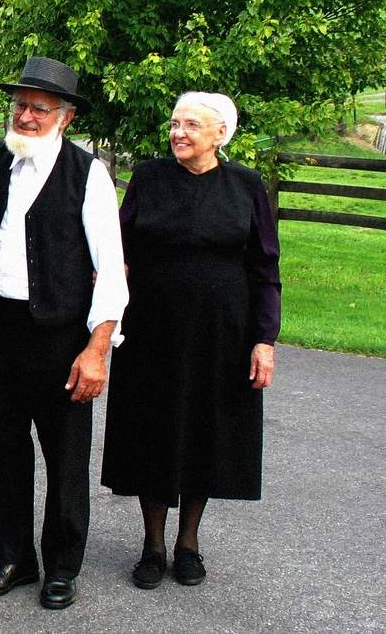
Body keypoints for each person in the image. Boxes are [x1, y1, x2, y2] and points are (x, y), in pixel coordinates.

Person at [0, 56, 128, 610]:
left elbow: (112, 271)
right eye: (19, 105)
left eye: (37, 109)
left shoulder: (88, 175)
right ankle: (12, 558)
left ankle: (62, 567)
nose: (24, 116)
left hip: (62, 334)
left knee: (66, 454)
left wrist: (97, 350)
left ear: (63, 118)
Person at [101, 92, 280, 590]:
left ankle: (188, 544)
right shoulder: (149, 178)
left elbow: (265, 267)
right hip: (151, 332)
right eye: (175, 123)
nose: (178, 132)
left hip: (222, 334)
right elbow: (120, 249)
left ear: (221, 134)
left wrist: (264, 339)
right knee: (153, 432)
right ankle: (152, 545)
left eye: (192, 125)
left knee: (206, 432)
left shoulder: (246, 186)